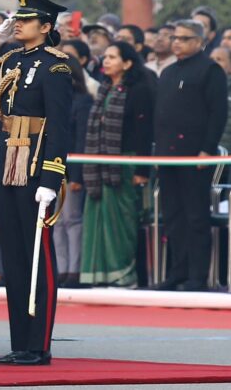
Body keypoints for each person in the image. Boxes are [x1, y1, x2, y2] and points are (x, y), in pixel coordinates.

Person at [0, 0, 73, 366]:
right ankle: (21, 342)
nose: (19, 24)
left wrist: (51, 176)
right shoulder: (12, 58)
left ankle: (38, 345)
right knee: (12, 255)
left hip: (34, 165)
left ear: (45, 27)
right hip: (7, 160)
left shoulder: (56, 67)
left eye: (26, 20)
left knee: (37, 257)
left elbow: (60, 126)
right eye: (18, 19)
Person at [152, 20, 228, 291]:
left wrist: (207, 149)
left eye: (184, 38)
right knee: (172, 216)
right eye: (175, 38)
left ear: (199, 41)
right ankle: (177, 272)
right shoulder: (168, 72)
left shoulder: (210, 70)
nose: (177, 43)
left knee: (196, 216)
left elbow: (218, 113)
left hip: (195, 157)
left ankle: (197, 277)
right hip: (167, 156)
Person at [79, 42, 154, 287]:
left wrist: (142, 170)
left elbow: (144, 131)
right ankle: (99, 277)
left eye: (112, 57)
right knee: (96, 220)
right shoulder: (105, 89)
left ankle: (123, 276)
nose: (106, 61)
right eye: (105, 56)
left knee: (121, 223)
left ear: (128, 63)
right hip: (99, 166)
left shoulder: (139, 90)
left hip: (125, 164)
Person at [53, 57, 93, 288]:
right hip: (54, 166)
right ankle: (61, 268)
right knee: (56, 221)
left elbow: (81, 140)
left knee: (72, 220)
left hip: (72, 167)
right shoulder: (55, 100)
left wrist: (77, 176)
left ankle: (75, 269)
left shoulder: (83, 100)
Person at [210, 47, 231, 152]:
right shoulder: (200, 85)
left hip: (226, 152)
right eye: (211, 59)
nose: (214, 63)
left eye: (219, 59)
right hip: (204, 150)